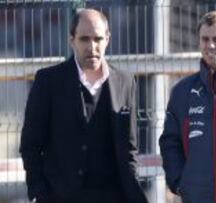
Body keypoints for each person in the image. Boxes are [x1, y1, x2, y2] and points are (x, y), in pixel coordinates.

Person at [19, 9, 148, 203]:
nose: (92, 47)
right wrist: (38, 192)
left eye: (98, 39)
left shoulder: (125, 82)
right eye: (84, 39)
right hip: (60, 197)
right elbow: (30, 144)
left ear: (108, 39)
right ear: (72, 40)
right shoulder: (48, 81)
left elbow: (129, 149)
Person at [159, 11, 216, 203]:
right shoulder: (182, 91)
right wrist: (180, 182)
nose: (210, 45)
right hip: (196, 196)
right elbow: (170, 142)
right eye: (205, 39)